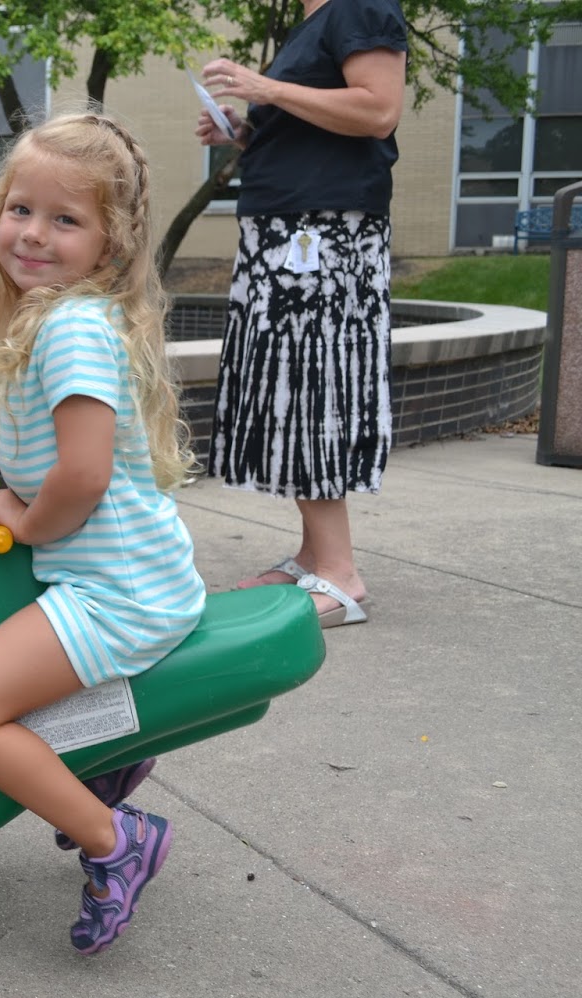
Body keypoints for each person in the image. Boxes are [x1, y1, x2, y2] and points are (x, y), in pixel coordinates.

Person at [0, 113, 206, 956]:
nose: (34, 235)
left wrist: (22, 515)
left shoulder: (73, 328)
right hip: (103, 574)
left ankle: (117, 841)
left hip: (121, 588)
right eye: (22, 209)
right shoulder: (44, 322)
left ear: (111, 245)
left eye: (66, 220)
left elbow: (81, 477)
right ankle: (105, 759)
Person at [197, 0, 408, 628]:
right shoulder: (316, 19)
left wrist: (266, 86)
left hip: (322, 232)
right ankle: (315, 554)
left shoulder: (360, 5)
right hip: (288, 230)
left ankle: (341, 574)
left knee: (311, 387)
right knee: (286, 390)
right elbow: (316, 124)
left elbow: (378, 109)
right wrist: (243, 129)